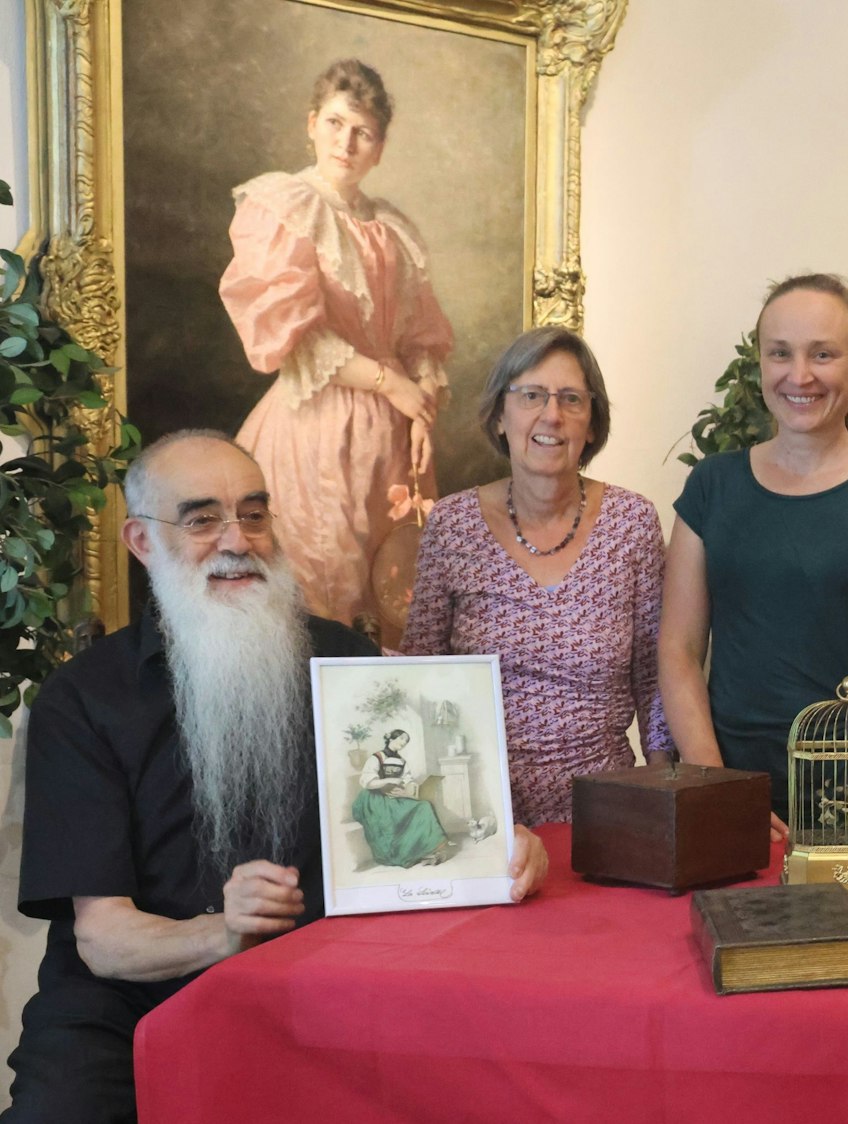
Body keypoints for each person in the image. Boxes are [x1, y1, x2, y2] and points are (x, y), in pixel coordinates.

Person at [5, 431, 546, 1124]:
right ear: (142, 542)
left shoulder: (349, 662)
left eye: (254, 514)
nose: (239, 540)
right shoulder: (84, 699)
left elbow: (418, 826)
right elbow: (105, 939)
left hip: (321, 989)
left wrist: (492, 843)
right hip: (130, 1005)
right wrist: (222, 933)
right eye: (202, 520)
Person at [660, 274, 848, 841]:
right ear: (759, 363)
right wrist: (722, 797)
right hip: (739, 792)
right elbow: (679, 651)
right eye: (780, 354)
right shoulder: (712, 486)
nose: (800, 375)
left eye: (823, 354)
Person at [403, 327, 672, 826]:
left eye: (571, 399)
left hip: (608, 813)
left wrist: (661, 800)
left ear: (592, 424)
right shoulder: (452, 525)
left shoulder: (632, 523)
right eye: (531, 395)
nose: (552, 415)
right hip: (477, 815)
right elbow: (420, 672)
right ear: (500, 417)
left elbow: (655, 678)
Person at [220, 58, 454, 628]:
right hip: (317, 424)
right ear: (311, 124)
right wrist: (391, 383)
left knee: (398, 589)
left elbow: (421, 333)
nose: (345, 142)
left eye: (362, 132)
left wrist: (422, 405)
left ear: (379, 146)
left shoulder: (393, 226)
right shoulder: (285, 206)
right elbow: (295, 338)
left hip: (395, 440)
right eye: (334, 123)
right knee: (328, 585)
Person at [350, 729, 450, 867]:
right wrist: (387, 781)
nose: (404, 742)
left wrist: (408, 790)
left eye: (406, 741)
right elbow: (367, 782)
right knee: (389, 818)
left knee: (424, 806)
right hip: (375, 797)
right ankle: (400, 854)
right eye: (401, 738)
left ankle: (432, 849)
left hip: (396, 795)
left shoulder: (401, 761)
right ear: (391, 738)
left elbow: (407, 780)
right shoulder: (377, 757)